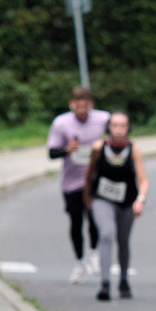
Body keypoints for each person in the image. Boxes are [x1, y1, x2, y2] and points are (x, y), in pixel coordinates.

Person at [82, 110, 149, 301]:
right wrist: (87, 195)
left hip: (127, 201)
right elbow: (89, 174)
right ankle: (105, 283)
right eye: (115, 126)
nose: (119, 130)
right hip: (102, 198)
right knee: (106, 234)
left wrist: (140, 200)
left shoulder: (134, 150)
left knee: (123, 240)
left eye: (123, 126)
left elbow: (143, 180)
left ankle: (124, 280)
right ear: (108, 128)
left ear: (128, 129)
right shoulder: (98, 148)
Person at [47, 87, 109, 284]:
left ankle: (94, 253)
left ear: (92, 105)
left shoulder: (103, 119)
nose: (81, 111)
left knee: (95, 218)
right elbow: (51, 153)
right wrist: (67, 149)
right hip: (71, 182)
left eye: (85, 106)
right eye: (77, 106)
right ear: (71, 105)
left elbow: (120, 135)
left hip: (95, 180)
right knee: (76, 222)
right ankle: (79, 262)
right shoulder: (61, 122)